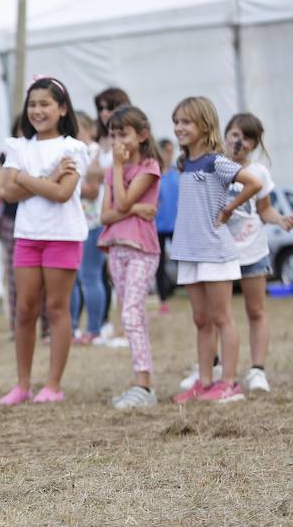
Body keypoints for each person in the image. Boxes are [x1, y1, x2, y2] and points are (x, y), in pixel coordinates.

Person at [0, 76, 88, 405]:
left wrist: (23, 178)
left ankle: (53, 384)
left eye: (45, 104)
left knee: (56, 309)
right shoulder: (18, 147)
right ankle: (22, 384)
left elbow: (63, 194)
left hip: (63, 236)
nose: (37, 110)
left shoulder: (73, 148)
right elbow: (7, 192)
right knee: (24, 309)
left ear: (62, 109)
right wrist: (47, 178)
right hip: (27, 236)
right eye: (32, 104)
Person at [169, 97, 261, 404]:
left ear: (205, 126)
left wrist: (229, 209)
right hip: (190, 251)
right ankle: (205, 381)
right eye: (177, 121)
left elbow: (252, 182)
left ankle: (229, 383)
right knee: (200, 319)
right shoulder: (184, 163)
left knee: (222, 317)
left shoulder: (215, 162)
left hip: (214, 250)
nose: (179, 128)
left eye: (186, 122)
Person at [221, 113, 293, 392]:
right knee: (219, 314)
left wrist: (280, 220)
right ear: (225, 135)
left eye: (247, 137)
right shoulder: (214, 166)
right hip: (220, 253)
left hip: (252, 251)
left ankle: (257, 370)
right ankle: (217, 366)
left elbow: (264, 209)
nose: (240, 141)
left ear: (255, 143)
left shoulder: (260, 173)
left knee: (256, 310)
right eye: (235, 134)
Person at [97, 106, 162, 408]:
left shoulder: (148, 168)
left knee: (131, 314)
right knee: (131, 316)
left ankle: (143, 385)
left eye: (123, 134)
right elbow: (106, 214)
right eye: (112, 135)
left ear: (142, 135)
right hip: (116, 248)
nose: (116, 141)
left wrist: (120, 170)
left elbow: (120, 200)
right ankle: (141, 383)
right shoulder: (112, 171)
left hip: (141, 250)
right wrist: (136, 209)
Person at [0, 118, 50, 341]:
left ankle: (46, 327)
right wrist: (38, 185)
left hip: (40, 221)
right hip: (12, 222)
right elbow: (2, 190)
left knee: (45, 278)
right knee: (15, 278)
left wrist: (22, 184)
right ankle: (18, 328)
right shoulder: (4, 158)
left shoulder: (45, 154)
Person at [92, 88, 131, 343]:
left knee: (126, 277)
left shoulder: (128, 141)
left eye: (110, 107)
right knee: (113, 274)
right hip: (103, 213)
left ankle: (125, 329)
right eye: (101, 108)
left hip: (124, 213)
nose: (105, 113)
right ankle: (117, 326)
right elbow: (92, 172)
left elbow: (100, 173)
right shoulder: (102, 142)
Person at [68, 111, 108, 345]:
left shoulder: (93, 154)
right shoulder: (76, 153)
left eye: (78, 130)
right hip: (77, 224)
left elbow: (92, 190)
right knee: (75, 279)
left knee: (89, 277)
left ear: (90, 129)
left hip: (92, 223)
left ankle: (93, 327)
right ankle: (73, 326)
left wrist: (63, 185)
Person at [154, 139, 179, 314]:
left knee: (184, 261)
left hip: (177, 225)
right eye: (167, 151)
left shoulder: (177, 173)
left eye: (172, 151)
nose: (169, 155)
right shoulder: (153, 174)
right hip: (157, 226)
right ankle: (163, 300)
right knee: (159, 265)